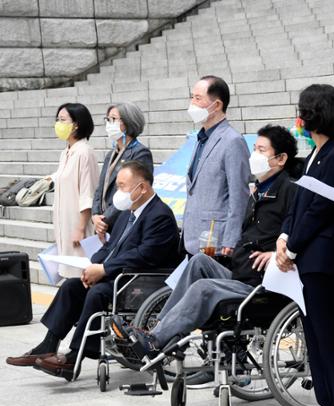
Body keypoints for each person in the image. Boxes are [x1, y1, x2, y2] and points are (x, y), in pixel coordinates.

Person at [109, 125, 298, 355]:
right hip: (242, 272)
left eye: (261, 150)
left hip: (261, 284)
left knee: (204, 288)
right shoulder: (258, 190)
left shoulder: (290, 191)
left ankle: (156, 339)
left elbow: (295, 233)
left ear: (281, 159)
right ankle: (156, 331)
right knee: (198, 261)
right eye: (254, 149)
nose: (254, 155)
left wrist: (276, 254)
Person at [6, 161, 180, 380]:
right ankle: (48, 344)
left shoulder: (160, 215)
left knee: (97, 293)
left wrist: (104, 269)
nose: (118, 193)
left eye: (123, 186)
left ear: (142, 188)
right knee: (72, 286)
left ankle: (73, 357)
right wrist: (92, 266)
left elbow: (145, 255)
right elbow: (110, 246)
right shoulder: (128, 213)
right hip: (119, 275)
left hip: (139, 282)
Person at [276, 84, 334, 406]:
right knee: (313, 334)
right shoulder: (316, 153)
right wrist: (285, 237)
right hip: (307, 255)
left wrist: (293, 245)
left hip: (321, 257)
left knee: (328, 334)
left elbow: (320, 210)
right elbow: (299, 205)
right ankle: (329, 403)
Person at [182, 75, 250, 257]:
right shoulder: (201, 138)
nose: (192, 104)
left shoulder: (232, 141)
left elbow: (239, 195)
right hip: (193, 238)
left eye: (198, 98)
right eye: (192, 97)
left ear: (217, 105)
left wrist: (231, 238)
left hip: (216, 241)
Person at [49, 103, 100, 278]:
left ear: (76, 124)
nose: (58, 124)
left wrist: (79, 228)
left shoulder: (84, 153)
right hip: (64, 223)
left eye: (62, 120)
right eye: (57, 120)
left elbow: (88, 194)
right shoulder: (66, 153)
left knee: (80, 274)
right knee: (67, 272)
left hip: (78, 225)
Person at [92, 102, 153, 241]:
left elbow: (132, 193)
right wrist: (95, 215)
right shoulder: (111, 154)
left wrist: (104, 220)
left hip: (124, 222)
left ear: (127, 123)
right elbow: (100, 188)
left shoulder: (140, 153)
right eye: (107, 119)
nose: (109, 124)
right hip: (104, 223)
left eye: (113, 119)